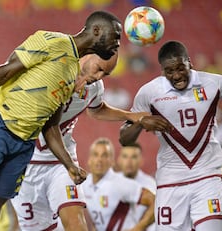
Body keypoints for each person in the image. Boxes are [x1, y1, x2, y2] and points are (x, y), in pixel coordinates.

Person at [0, 10, 122, 231]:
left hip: (24, 144)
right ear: (96, 31)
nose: (117, 45)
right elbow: (4, 71)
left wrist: (69, 165)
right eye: (115, 37)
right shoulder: (51, 41)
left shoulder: (72, 73)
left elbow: (51, 125)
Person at [10, 52, 149, 231]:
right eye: (99, 69)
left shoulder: (94, 87)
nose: (99, 77)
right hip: (26, 164)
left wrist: (130, 115)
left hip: (60, 163)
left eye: (105, 74)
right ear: (88, 55)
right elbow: (48, 127)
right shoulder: (50, 71)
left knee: (77, 225)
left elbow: (96, 109)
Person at [119, 40, 222, 230]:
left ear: (189, 62)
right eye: (170, 71)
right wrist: (141, 121)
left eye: (181, 68)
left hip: (208, 178)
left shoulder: (213, 83)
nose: (177, 75)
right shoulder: (149, 93)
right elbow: (124, 138)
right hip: (170, 184)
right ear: (162, 71)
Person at [82, 137, 155, 231]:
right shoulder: (85, 184)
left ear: (112, 161)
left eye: (104, 155)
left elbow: (155, 201)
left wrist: (138, 228)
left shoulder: (121, 183)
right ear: (89, 159)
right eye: (95, 155)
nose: (99, 159)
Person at [117, 142, 156, 231]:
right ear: (119, 160)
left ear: (141, 160)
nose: (129, 162)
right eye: (125, 156)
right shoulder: (111, 183)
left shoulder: (150, 185)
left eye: (134, 157)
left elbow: (156, 215)